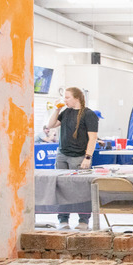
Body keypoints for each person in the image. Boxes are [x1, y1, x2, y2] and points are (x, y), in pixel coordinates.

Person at [48, 87, 99, 230]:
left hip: (79, 157)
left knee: (81, 189)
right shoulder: (65, 113)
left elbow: (93, 138)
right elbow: (50, 125)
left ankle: (83, 220)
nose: (65, 100)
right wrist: (56, 109)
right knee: (62, 189)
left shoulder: (89, 115)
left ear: (77, 98)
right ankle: (63, 219)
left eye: (67, 97)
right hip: (63, 155)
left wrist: (87, 157)